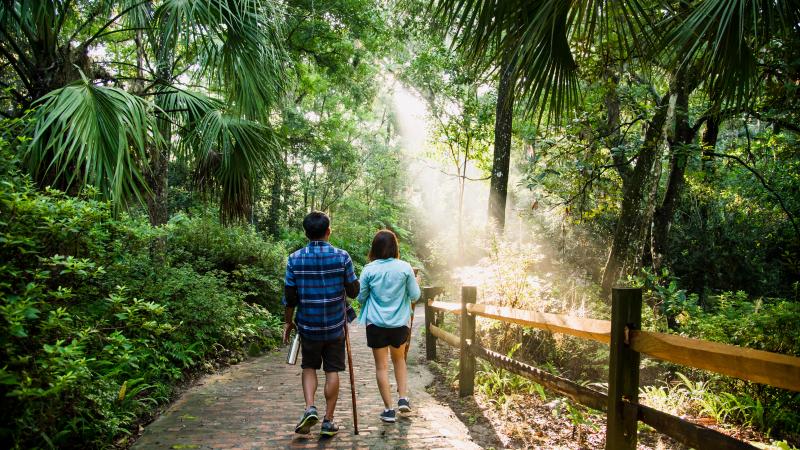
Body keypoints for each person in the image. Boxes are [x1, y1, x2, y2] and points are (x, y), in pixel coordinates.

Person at [283, 211, 359, 436]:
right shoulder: (342, 256)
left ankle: (309, 408)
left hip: (308, 326)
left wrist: (288, 322)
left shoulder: (294, 259)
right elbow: (354, 291)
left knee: (308, 367)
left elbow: (290, 297)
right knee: (332, 370)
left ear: (306, 233)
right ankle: (328, 421)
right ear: (328, 231)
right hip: (335, 326)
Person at [357, 229, 421, 423]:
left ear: (374, 248)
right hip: (399, 323)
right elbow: (415, 295)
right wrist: (416, 282)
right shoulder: (405, 267)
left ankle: (388, 409)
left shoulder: (369, 269)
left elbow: (361, 297)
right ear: (395, 247)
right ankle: (403, 398)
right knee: (399, 360)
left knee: (381, 367)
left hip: (376, 324)